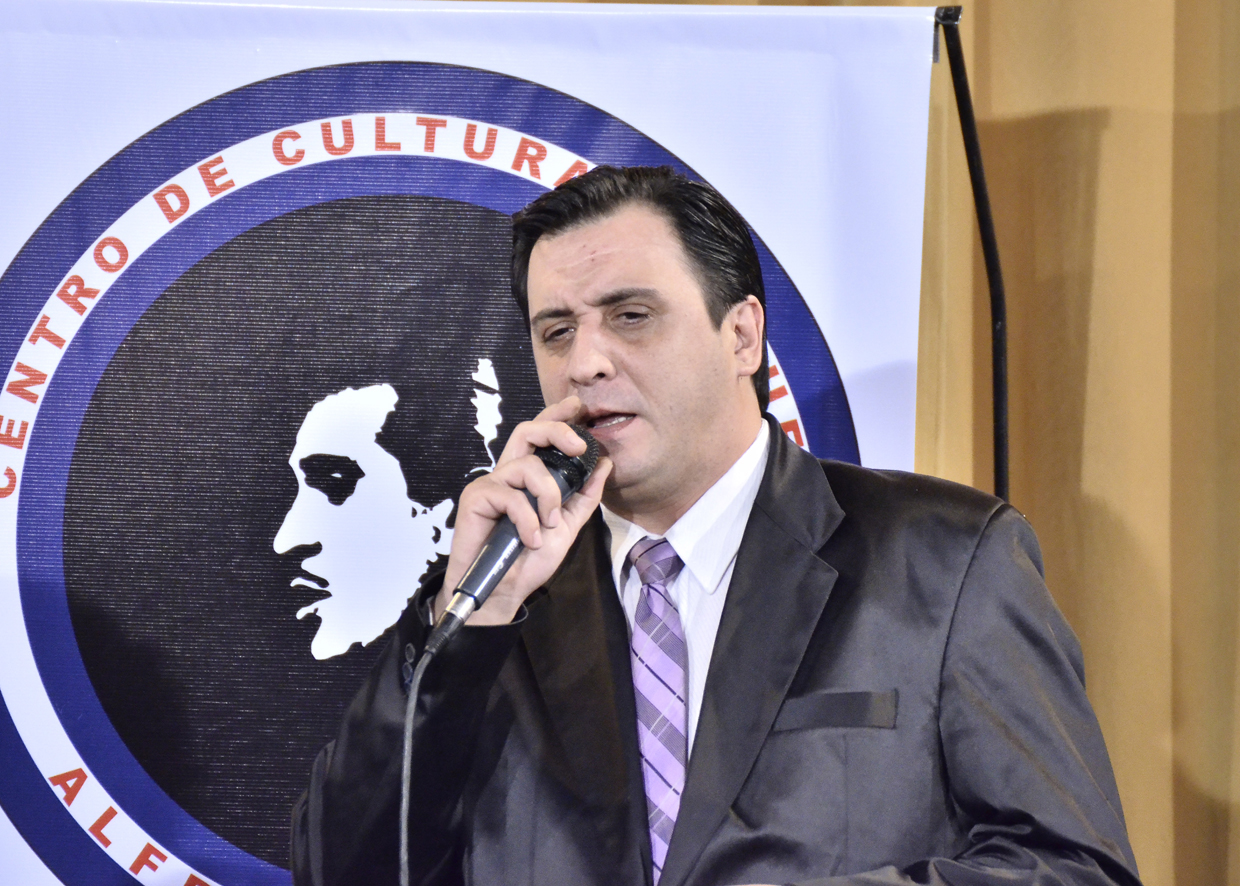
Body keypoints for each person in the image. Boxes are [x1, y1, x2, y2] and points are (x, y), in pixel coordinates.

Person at [291, 166, 1142, 886]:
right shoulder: (494, 596)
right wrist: (468, 622)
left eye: (630, 316)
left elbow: (1074, 869)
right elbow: (342, 871)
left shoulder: (946, 558)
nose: (586, 362)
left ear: (741, 336)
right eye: (557, 331)